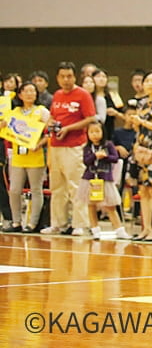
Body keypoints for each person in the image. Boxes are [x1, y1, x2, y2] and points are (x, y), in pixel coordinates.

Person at [43, 62, 97, 235]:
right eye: (62, 76)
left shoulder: (83, 95)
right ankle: (58, 223)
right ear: (58, 78)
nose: (66, 80)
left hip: (74, 146)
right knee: (57, 187)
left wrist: (69, 129)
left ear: (74, 77)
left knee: (76, 185)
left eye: (69, 76)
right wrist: (51, 123)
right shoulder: (57, 95)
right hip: (56, 145)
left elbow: (90, 118)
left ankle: (80, 224)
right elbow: (53, 115)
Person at [3, 82, 50, 231]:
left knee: (36, 190)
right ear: (20, 94)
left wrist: (40, 144)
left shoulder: (42, 111)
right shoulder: (14, 112)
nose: (30, 94)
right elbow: (5, 128)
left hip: (35, 156)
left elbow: (50, 133)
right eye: (26, 91)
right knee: (14, 190)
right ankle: (16, 222)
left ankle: (32, 223)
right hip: (18, 156)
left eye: (33, 91)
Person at [79, 121, 129, 238]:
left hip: (105, 179)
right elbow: (86, 161)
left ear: (103, 132)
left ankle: (119, 229)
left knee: (109, 205)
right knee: (91, 205)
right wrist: (94, 156)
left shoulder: (108, 145)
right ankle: (95, 229)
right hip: (90, 179)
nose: (94, 134)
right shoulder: (87, 147)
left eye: (97, 131)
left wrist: (105, 156)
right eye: (91, 132)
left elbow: (115, 158)